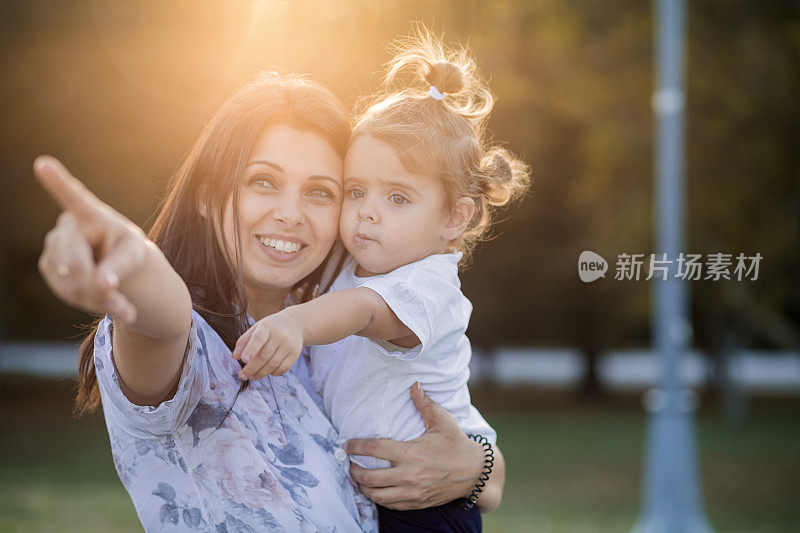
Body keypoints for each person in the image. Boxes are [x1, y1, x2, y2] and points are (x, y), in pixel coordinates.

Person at [35, 69, 505, 532]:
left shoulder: (328, 325)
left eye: (321, 192)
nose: (290, 214)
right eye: (263, 181)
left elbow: (476, 452)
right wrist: (133, 263)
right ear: (207, 194)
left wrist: (477, 469)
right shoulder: (186, 345)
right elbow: (164, 318)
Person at [232, 29, 528, 532]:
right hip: (381, 497)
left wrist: (294, 325)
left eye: (397, 198)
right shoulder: (352, 264)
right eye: (355, 191)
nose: (367, 213)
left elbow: (364, 312)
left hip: (425, 508)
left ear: (454, 217)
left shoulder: (428, 285)